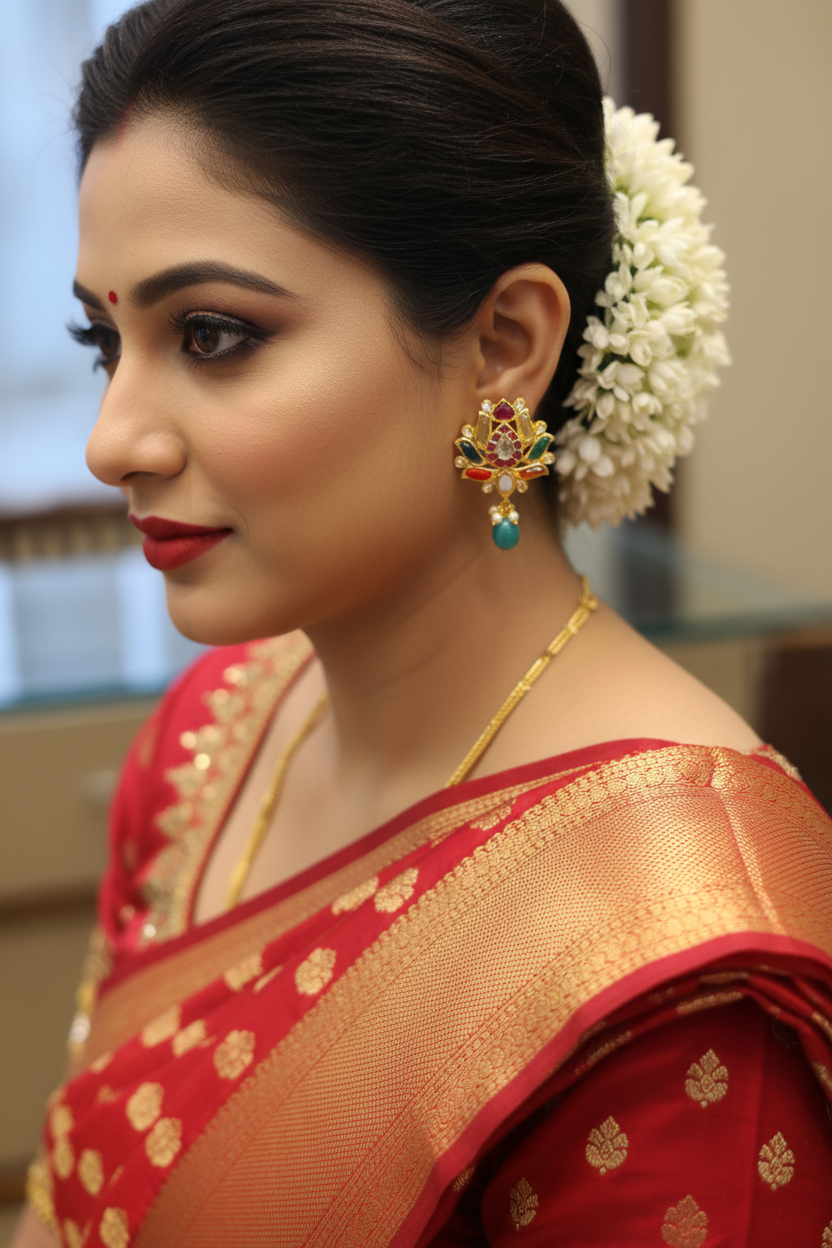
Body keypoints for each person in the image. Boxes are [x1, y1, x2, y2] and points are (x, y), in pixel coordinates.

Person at [14, 0, 832, 1244]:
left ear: (505, 344)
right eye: (103, 340)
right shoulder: (212, 738)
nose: (113, 439)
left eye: (215, 336)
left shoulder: (677, 989)